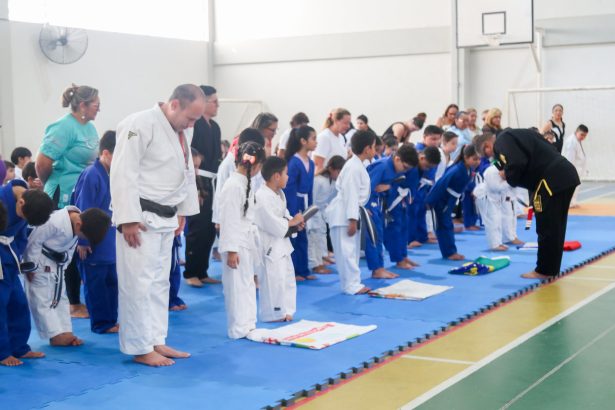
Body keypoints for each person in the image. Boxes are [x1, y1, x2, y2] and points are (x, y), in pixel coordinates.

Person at [110, 84, 203, 366]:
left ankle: (155, 338)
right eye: (190, 117)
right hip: (140, 218)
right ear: (174, 104)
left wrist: (183, 209)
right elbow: (123, 170)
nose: (192, 124)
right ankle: (140, 347)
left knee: (160, 282)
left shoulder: (183, 129)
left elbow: (187, 170)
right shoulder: (137, 124)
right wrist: (127, 218)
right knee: (138, 283)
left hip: (167, 215)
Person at [36, 84, 100, 318]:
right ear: (82, 105)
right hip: (61, 193)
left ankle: (77, 296)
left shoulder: (90, 128)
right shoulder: (63, 127)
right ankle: (72, 303)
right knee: (67, 245)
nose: (99, 109)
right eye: (96, 105)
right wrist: (51, 187)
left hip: (82, 193)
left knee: (81, 243)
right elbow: (42, 163)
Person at [493, 128, 580, 279]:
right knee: (556, 226)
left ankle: (544, 270)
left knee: (546, 226)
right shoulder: (525, 135)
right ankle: (551, 269)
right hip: (565, 175)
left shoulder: (503, 140)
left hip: (551, 181)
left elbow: (517, 162)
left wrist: (507, 175)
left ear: (488, 145)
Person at [24, 207, 110, 346]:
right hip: (39, 262)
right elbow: (33, 242)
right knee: (41, 298)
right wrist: (30, 266)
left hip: (57, 264)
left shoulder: (79, 222)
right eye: (84, 237)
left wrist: (64, 266)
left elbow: (69, 250)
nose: (82, 239)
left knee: (60, 298)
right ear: (79, 225)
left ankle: (65, 332)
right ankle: (54, 335)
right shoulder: (53, 222)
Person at [0, 182, 53, 367]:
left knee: (19, 304)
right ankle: (2, 352)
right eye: (23, 216)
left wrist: (21, 261)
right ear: (20, 202)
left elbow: (22, 236)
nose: (22, 219)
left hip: (10, 259)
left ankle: (19, 347)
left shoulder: (30, 204)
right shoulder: (2, 199)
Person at [71, 130, 119, 334]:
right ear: (106, 153)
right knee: (96, 283)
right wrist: (83, 242)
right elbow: (82, 209)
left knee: (111, 282)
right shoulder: (92, 174)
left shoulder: (113, 174)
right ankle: (101, 323)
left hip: (110, 240)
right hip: (93, 241)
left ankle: (111, 319)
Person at [218, 141, 266, 339]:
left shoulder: (244, 183)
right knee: (236, 287)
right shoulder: (233, 186)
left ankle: (248, 323)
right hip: (235, 243)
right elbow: (229, 220)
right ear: (256, 165)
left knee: (247, 283)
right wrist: (231, 250)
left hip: (246, 240)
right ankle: (238, 327)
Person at [325, 130, 376, 295]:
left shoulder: (356, 165)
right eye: (374, 146)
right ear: (367, 149)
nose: (375, 150)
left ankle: (352, 283)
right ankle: (351, 285)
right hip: (344, 215)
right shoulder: (354, 167)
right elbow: (351, 194)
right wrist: (352, 219)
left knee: (351, 252)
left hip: (348, 211)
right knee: (346, 252)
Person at [254, 156, 304, 322]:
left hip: (282, 244)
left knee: (286, 279)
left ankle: (286, 311)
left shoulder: (278, 194)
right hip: (270, 246)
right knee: (273, 280)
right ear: (276, 176)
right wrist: (292, 222)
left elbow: (284, 215)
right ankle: (273, 314)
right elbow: (272, 223)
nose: (287, 177)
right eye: (285, 173)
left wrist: (296, 224)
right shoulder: (261, 196)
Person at [184, 85, 223, 287]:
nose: (217, 105)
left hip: (213, 180)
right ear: (203, 102)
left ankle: (202, 270)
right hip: (197, 179)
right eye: (214, 101)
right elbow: (189, 151)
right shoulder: (194, 124)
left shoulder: (215, 127)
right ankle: (191, 271)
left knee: (209, 228)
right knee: (197, 227)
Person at [365, 144, 418, 278]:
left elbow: (387, 185)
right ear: (397, 159)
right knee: (374, 236)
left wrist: (388, 187)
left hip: (380, 203)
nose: (405, 171)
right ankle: (376, 269)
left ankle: (380, 267)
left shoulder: (394, 167)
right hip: (370, 203)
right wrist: (365, 207)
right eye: (405, 167)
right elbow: (366, 187)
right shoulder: (382, 166)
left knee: (380, 234)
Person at [426, 145, 480, 260]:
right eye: (474, 159)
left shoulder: (467, 169)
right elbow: (441, 183)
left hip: (451, 199)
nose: (477, 162)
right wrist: (430, 200)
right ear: (466, 157)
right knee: (444, 225)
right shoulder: (456, 169)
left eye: (479, 159)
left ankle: (450, 251)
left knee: (447, 224)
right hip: (443, 199)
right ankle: (449, 252)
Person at [212, 128, 266, 226]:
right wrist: (219, 221)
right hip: (229, 220)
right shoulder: (229, 164)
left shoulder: (251, 164)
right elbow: (220, 193)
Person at [283, 126, 316, 281]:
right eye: (313, 139)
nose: (316, 142)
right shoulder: (294, 162)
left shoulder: (311, 163)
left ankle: (304, 270)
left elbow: (310, 188)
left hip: (305, 203)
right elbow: (290, 189)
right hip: (294, 203)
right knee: (293, 237)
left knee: (303, 237)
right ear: (303, 141)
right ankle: (293, 272)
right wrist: (294, 211)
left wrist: (310, 209)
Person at [308, 155, 345, 274]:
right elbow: (312, 199)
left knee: (322, 235)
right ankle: (315, 264)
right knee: (313, 239)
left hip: (322, 212)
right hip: (312, 212)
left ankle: (323, 256)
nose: (339, 175)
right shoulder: (318, 180)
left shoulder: (333, 182)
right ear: (331, 169)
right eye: (338, 172)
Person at [477, 164, 522, 251]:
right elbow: (496, 188)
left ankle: (498, 242)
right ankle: (494, 245)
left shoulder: (502, 171)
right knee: (493, 222)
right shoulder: (491, 172)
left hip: (495, 200)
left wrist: (508, 180)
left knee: (498, 221)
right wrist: (509, 181)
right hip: (487, 199)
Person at [313, 108, 351, 173]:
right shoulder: (324, 137)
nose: (348, 126)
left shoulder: (341, 137)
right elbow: (317, 166)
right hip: (324, 178)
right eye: (345, 123)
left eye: (349, 123)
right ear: (335, 121)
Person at [562, 124, 589, 208]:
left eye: (585, 135)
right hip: (572, 168)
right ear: (577, 131)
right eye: (582, 134)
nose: (583, 137)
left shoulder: (577, 140)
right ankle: (568, 203)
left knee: (575, 186)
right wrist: (571, 171)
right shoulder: (571, 142)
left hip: (577, 169)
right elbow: (570, 158)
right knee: (570, 186)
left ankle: (572, 202)